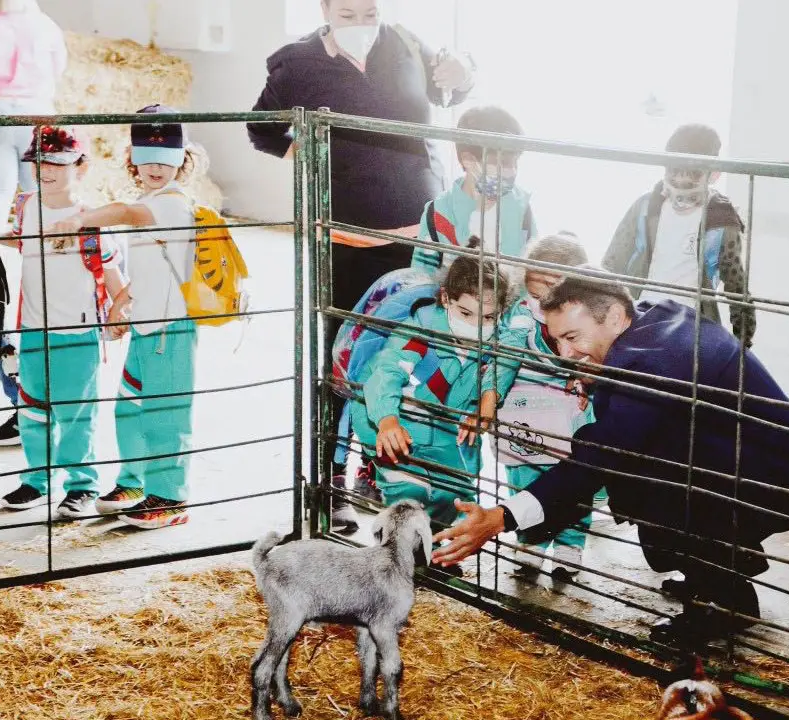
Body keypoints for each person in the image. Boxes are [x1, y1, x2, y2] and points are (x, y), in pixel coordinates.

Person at [431, 275, 789, 641]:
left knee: (647, 488)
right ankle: (722, 566)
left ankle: (724, 601)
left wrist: (501, 518)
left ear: (612, 315)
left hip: (771, 479)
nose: (564, 353)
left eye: (572, 337)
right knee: (640, 472)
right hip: (746, 459)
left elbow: (599, 457)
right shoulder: (652, 319)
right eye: (556, 340)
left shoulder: (650, 362)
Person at [249, 0, 477, 507]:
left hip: (417, 240)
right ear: (326, 9)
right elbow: (261, 129)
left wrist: (463, 70)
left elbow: (453, 87)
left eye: (369, 12)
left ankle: (383, 466)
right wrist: (316, 160)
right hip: (345, 239)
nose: (361, 24)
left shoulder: (407, 44)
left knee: (405, 352)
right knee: (342, 353)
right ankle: (329, 472)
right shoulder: (296, 62)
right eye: (348, 14)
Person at [48, 105, 201, 530]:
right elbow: (155, 264)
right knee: (130, 408)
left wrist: (81, 219)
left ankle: (170, 497)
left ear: (182, 160)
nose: (156, 167)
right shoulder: (150, 200)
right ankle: (135, 483)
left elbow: (128, 214)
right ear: (133, 158)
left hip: (170, 329)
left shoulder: (173, 203)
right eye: (147, 157)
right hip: (146, 326)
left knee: (166, 413)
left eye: (166, 159)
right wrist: (122, 301)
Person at [0, 126, 131, 518]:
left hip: (78, 331)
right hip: (34, 328)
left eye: (57, 162)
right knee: (32, 409)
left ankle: (82, 485)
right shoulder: (26, 204)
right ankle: (37, 480)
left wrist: (119, 309)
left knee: (76, 414)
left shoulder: (90, 219)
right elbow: (22, 239)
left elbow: (111, 272)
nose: (46, 170)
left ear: (81, 167)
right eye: (39, 162)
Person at [0, 0, 67, 448]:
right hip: (38, 107)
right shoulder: (47, 26)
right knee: (32, 185)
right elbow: (59, 67)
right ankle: (35, 238)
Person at [351, 243, 518, 530]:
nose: (477, 326)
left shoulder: (497, 340)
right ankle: (397, 547)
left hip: (445, 428)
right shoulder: (421, 332)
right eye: (466, 313)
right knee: (408, 493)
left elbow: (504, 364)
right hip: (398, 422)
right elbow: (387, 372)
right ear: (445, 299)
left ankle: (433, 545)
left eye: (488, 317)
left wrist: (488, 400)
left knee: (453, 494)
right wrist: (387, 419)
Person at [494, 234, 606, 583]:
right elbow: (505, 354)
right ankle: (531, 541)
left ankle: (570, 544)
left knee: (572, 476)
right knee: (524, 476)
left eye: (546, 295)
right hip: (524, 410)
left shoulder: (588, 321)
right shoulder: (519, 315)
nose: (539, 303)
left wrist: (584, 379)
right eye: (533, 293)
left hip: (568, 411)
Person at [603, 123, 755, 347]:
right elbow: (611, 265)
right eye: (674, 172)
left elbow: (736, 287)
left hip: (690, 329)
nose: (682, 183)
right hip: (637, 319)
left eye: (693, 175)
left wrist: (742, 345)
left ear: (714, 174)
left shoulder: (723, 220)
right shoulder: (644, 208)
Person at [410, 105, 535, 273]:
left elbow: (534, 272)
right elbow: (420, 279)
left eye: (516, 161)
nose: (512, 171)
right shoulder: (439, 213)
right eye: (503, 162)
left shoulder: (521, 207)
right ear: (468, 160)